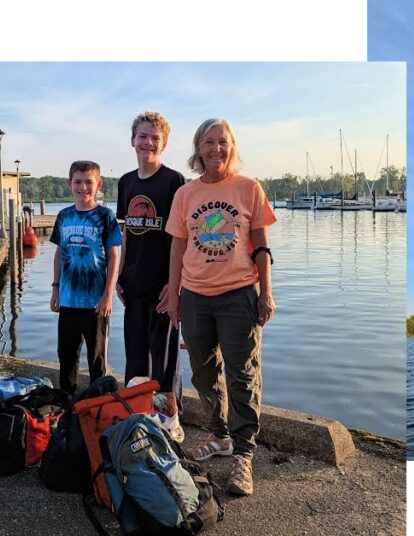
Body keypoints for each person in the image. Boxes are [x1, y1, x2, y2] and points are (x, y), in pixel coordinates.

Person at [159, 118, 276, 497]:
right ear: (198, 148)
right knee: (204, 373)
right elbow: (178, 246)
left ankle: (243, 453)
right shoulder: (185, 194)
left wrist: (266, 292)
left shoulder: (249, 188)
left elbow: (260, 242)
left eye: (222, 142)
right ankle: (220, 435)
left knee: (243, 374)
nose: (216, 149)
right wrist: (173, 293)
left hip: (239, 293)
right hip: (194, 295)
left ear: (232, 147)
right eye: (209, 142)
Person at [116, 111, 187, 400]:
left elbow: (183, 237)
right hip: (133, 283)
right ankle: (136, 411)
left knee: (164, 359)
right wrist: (120, 274)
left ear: (164, 144)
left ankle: (168, 417)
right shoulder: (125, 182)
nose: (148, 142)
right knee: (134, 353)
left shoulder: (174, 181)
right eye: (142, 136)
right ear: (133, 140)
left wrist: (176, 284)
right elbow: (125, 233)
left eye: (155, 138)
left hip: (163, 285)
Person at [49, 160, 123, 394]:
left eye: (88, 182)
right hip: (68, 301)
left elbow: (114, 257)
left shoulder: (105, 216)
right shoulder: (63, 216)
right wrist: (55, 289)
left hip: (96, 304)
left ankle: (96, 407)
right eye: (78, 182)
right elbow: (59, 253)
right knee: (67, 357)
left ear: (98, 185)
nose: (83, 188)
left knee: (97, 361)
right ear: (69, 184)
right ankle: (65, 404)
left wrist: (108, 295)